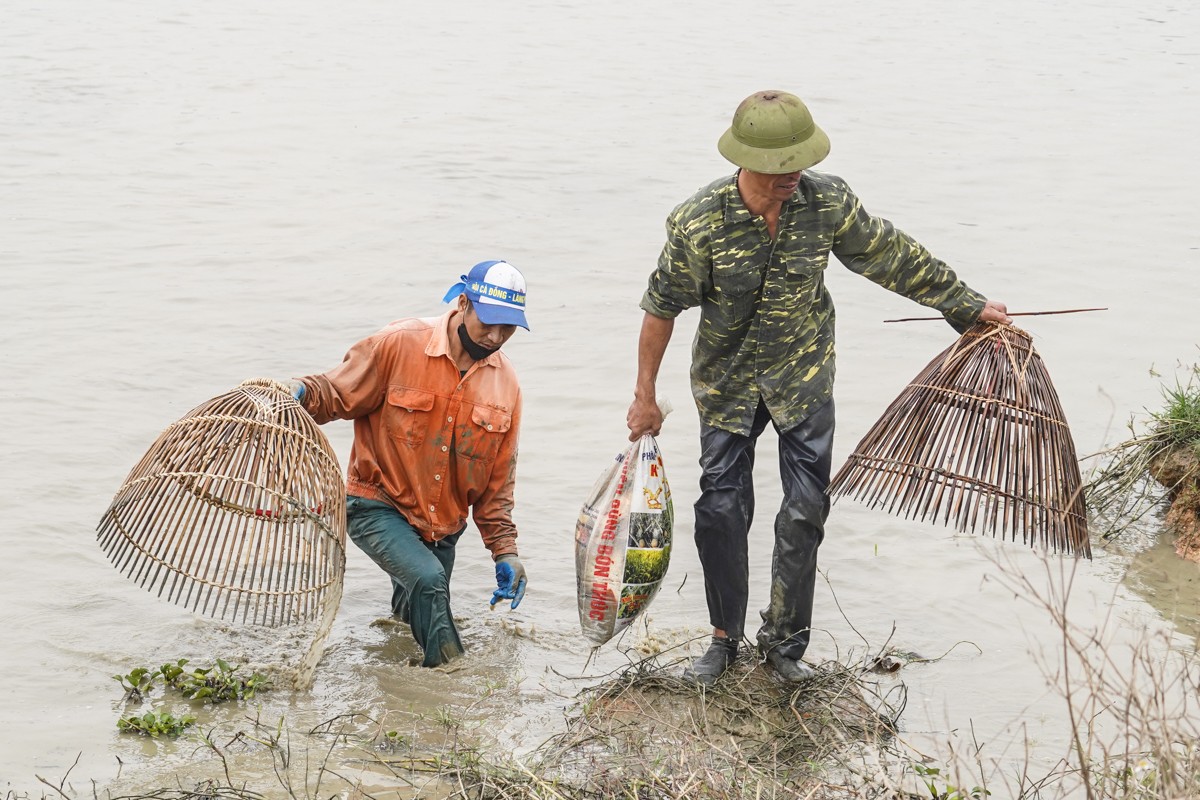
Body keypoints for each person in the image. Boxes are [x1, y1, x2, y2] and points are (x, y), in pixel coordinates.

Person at [625, 90, 1011, 686]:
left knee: (806, 509)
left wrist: (964, 303)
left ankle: (783, 646)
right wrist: (644, 395)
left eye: (798, 163)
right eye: (780, 167)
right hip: (727, 385)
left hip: (803, 377)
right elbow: (661, 308)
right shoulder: (698, 222)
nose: (791, 176)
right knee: (720, 510)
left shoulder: (826, 203)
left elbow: (890, 255)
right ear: (747, 160)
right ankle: (724, 640)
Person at [291, 260, 530, 667]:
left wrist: (505, 551)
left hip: (444, 526)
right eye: (488, 321)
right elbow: (335, 392)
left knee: (412, 616)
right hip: (376, 504)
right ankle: (453, 681)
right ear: (463, 303)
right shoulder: (398, 343)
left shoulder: (506, 386)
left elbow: (497, 484)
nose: (495, 336)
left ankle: (398, 687)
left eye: (507, 327)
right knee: (428, 580)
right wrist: (297, 392)